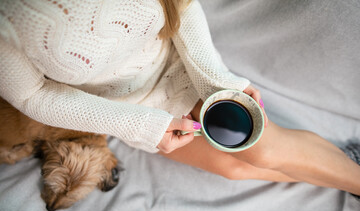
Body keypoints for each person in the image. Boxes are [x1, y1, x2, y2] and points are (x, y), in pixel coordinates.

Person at [0, 0, 359, 196]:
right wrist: (142, 126)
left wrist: (215, 81)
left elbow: (182, 7)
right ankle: (344, 164)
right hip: (133, 111)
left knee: (262, 150)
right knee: (233, 169)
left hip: (187, 70)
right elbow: (32, 94)